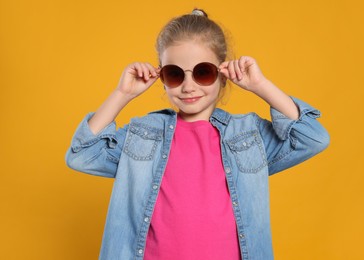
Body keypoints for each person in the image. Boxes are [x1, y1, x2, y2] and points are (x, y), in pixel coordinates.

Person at [65, 8, 329, 260]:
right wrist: (122, 94)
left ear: (222, 74)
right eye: (174, 74)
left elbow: (312, 137)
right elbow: (82, 154)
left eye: (203, 72)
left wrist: (261, 85)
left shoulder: (248, 136)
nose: (188, 86)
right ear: (162, 76)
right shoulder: (144, 134)